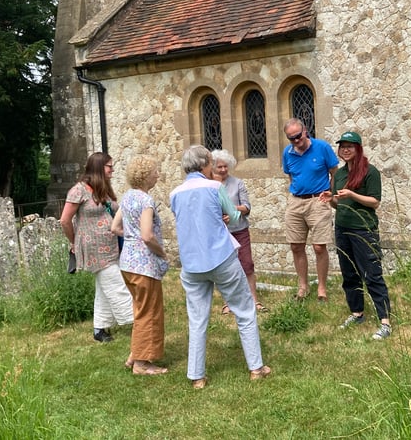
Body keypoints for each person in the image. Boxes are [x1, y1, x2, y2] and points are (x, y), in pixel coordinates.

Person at [170, 145, 271, 389]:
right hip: (221, 258)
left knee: (197, 319)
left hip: (192, 264)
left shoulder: (175, 193)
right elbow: (235, 217)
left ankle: (197, 377)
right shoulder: (215, 187)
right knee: (245, 310)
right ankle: (256, 368)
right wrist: (225, 216)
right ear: (205, 164)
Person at [321, 131, 392, 340]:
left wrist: (352, 194)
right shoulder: (339, 174)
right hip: (342, 228)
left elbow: (375, 202)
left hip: (363, 229)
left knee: (371, 273)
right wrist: (330, 198)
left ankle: (385, 321)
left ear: (358, 148)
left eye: (350, 146)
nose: (345, 149)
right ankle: (357, 313)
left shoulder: (370, 172)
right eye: (342, 146)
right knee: (349, 273)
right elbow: (337, 203)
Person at [60, 152, 134, 343]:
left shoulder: (102, 188)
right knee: (117, 285)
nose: (113, 170)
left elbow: (116, 210)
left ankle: (99, 329)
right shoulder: (78, 191)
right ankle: (138, 322)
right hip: (94, 249)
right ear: (100, 167)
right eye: (110, 166)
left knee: (104, 287)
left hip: (110, 246)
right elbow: (65, 220)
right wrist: (74, 241)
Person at [110, 155, 170, 375]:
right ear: (146, 176)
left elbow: (115, 228)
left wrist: (132, 236)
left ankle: (135, 354)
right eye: (155, 171)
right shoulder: (146, 201)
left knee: (140, 309)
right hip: (145, 265)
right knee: (150, 312)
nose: (157, 175)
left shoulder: (126, 198)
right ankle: (143, 364)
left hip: (127, 263)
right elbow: (147, 235)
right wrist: (162, 252)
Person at [282, 118, 339, 301]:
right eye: (291, 138)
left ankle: (322, 288)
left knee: (319, 247)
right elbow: (291, 176)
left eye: (298, 136)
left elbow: (335, 172)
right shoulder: (287, 153)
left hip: (318, 200)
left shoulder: (322, 147)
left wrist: (330, 192)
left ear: (305, 131)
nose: (296, 141)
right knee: (296, 245)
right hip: (296, 201)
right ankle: (303, 286)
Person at [211, 149, 267, 314]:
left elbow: (247, 207)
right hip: (222, 233)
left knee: (247, 265)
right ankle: (228, 303)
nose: (223, 170)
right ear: (213, 167)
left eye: (225, 166)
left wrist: (233, 210)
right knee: (225, 268)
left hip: (240, 230)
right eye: (219, 167)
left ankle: (254, 300)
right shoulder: (211, 186)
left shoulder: (238, 183)